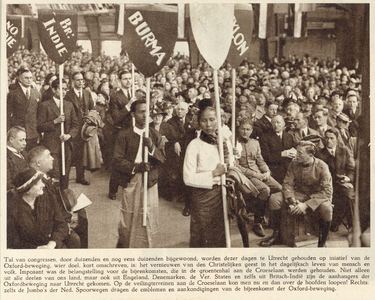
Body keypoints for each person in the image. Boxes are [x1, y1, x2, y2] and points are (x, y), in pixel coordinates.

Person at [260, 141, 333, 247]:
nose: (296, 155)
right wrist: (291, 200)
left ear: (310, 155)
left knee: (327, 208)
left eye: (300, 153)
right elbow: (287, 183)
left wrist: (306, 205)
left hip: (318, 196)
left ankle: (322, 242)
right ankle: (277, 235)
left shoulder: (322, 167)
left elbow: (327, 191)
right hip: (299, 194)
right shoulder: (294, 163)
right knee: (274, 199)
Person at [113, 100, 165, 248]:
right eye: (141, 111)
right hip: (131, 180)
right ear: (133, 114)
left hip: (150, 182)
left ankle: (147, 249)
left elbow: (162, 158)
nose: (144, 115)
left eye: (147, 111)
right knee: (128, 218)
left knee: (149, 216)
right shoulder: (124, 135)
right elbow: (117, 161)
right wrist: (136, 167)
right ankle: (125, 248)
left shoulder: (154, 134)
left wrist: (151, 147)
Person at [183, 103, 228, 247]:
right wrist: (213, 174)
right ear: (198, 121)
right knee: (201, 236)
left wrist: (231, 158)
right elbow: (188, 178)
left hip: (221, 195)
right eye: (204, 120)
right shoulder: (194, 145)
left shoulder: (223, 143)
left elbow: (229, 168)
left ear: (218, 120)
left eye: (212, 119)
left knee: (220, 236)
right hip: (202, 198)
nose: (208, 124)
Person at [28, 146, 88, 248]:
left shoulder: (43, 177)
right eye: (48, 156)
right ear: (38, 163)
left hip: (59, 215)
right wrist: (67, 218)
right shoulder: (37, 185)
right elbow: (47, 213)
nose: (52, 158)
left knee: (82, 214)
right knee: (80, 224)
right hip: (54, 224)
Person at [235, 117, 282, 237]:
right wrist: (256, 174)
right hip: (245, 175)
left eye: (248, 129)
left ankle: (271, 216)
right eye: (243, 129)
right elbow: (237, 166)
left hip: (259, 172)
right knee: (265, 190)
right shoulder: (234, 143)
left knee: (279, 188)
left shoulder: (255, 143)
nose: (245, 132)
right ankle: (257, 221)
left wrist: (266, 171)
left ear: (251, 130)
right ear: (239, 129)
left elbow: (260, 160)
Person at [7, 168, 69, 249]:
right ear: (27, 190)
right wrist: (36, 249)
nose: (43, 185)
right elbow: (14, 241)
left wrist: (52, 243)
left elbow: (61, 224)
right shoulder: (11, 210)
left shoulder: (49, 198)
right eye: (37, 183)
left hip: (52, 245)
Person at [37, 79, 79, 190]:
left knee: (65, 174)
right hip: (52, 146)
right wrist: (55, 122)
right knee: (54, 174)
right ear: (54, 89)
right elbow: (39, 126)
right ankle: (54, 199)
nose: (64, 91)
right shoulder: (45, 105)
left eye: (65, 89)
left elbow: (75, 125)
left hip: (66, 145)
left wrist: (69, 135)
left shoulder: (69, 105)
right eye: (61, 89)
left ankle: (64, 199)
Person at [316, 128, 355, 232]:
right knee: (332, 227)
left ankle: (352, 227)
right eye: (326, 138)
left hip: (343, 184)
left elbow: (351, 169)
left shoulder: (344, 150)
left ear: (337, 139)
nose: (328, 141)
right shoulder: (319, 154)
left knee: (350, 196)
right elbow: (320, 176)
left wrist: (347, 178)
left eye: (332, 138)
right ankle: (334, 222)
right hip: (328, 186)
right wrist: (340, 182)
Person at [108, 70, 137, 199]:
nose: (128, 81)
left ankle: (129, 187)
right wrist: (129, 105)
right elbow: (116, 118)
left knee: (132, 160)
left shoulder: (136, 94)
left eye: (130, 78)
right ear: (120, 81)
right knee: (118, 162)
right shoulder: (115, 96)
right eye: (125, 79)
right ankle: (113, 190)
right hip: (121, 132)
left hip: (134, 131)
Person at [65, 71, 95, 186]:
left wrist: (90, 119)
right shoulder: (68, 94)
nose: (81, 82)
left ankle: (80, 177)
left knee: (81, 154)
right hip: (72, 127)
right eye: (78, 80)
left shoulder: (87, 93)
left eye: (82, 80)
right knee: (70, 154)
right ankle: (65, 178)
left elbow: (92, 108)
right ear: (73, 81)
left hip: (84, 127)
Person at [7, 67, 41, 151]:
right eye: (26, 78)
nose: (29, 80)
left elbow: (39, 114)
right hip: (18, 131)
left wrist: (39, 131)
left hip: (33, 132)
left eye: (30, 78)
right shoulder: (13, 94)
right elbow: (7, 114)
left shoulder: (36, 93)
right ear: (20, 79)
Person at [260, 115, 296, 184]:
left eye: (278, 122)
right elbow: (266, 157)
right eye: (273, 123)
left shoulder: (289, 136)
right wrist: (281, 154)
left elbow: (293, 149)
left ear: (283, 124)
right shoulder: (265, 137)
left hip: (289, 169)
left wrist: (294, 153)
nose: (276, 125)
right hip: (275, 170)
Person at [7, 126, 29, 190]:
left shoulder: (24, 153)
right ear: (11, 140)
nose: (25, 143)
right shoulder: (6, 158)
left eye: (25, 140)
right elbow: (9, 185)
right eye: (21, 140)